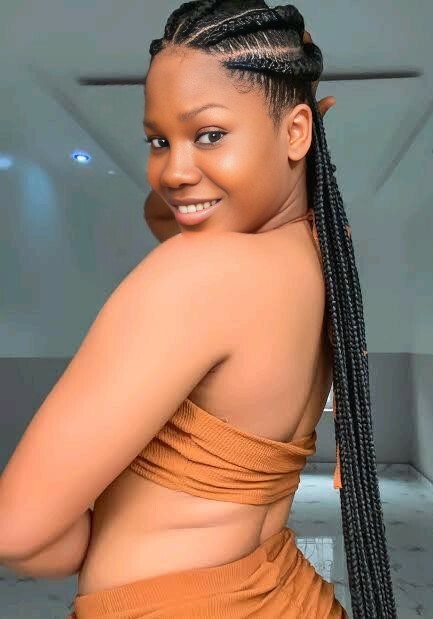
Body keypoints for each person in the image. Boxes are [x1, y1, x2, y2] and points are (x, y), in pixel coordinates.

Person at [0, 1, 395, 617]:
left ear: (297, 132)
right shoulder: (323, 253)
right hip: (288, 595)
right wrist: (278, 124)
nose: (173, 173)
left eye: (209, 134)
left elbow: (17, 534)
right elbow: (166, 210)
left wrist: (108, 527)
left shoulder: (202, 273)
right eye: (159, 140)